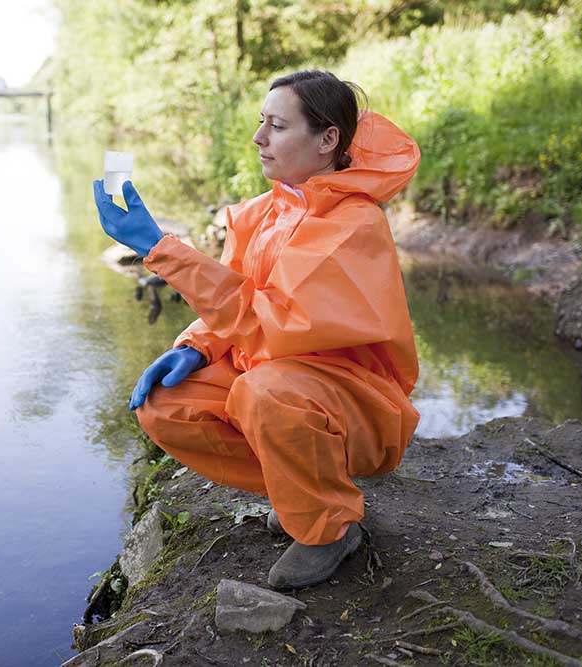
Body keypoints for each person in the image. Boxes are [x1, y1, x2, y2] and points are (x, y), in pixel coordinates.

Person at [92, 70, 421, 590]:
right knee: (164, 403)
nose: (258, 138)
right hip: (284, 388)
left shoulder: (353, 224)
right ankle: (305, 493)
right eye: (260, 123)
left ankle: (329, 528)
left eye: (277, 125)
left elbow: (269, 323)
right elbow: (234, 304)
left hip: (356, 406)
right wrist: (197, 346)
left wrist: (162, 250)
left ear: (327, 140)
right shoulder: (267, 211)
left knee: (264, 390)